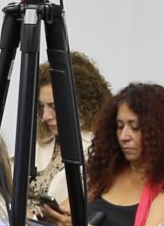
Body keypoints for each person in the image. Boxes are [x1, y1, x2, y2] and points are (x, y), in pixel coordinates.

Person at [41, 81, 164, 226]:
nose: (124, 136)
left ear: (162, 133)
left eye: (135, 127)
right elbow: (68, 210)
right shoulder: (109, 171)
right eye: (120, 126)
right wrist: (49, 214)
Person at [23, 51, 111, 214]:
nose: (45, 116)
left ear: (82, 105)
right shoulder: (39, 141)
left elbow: (65, 213)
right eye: (42, 107)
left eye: (54, 107)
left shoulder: (100, 149)